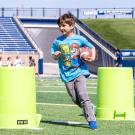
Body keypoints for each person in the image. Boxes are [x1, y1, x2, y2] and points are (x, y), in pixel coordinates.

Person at [51, 13, 98, 130]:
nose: (61, 28)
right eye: (60, 26)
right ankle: (89, 107)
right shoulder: (57, 41)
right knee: (75, 99)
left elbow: (92, 47)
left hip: (79, 72)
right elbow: (54, 55)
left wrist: (92, 57)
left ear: (72, 26)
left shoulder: (80, 39)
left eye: (64, 25)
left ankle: (92, 121)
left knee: (83, 95)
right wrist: (55, 55)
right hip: (66, 74)